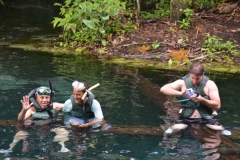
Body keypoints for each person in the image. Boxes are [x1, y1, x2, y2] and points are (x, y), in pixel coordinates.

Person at [160, 62, 227, 133]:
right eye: (192, 78)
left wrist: (202, 100)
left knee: (218, 133)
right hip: (186, 118)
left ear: (203, 74)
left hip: (206, 118)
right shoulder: (182, 82)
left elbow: (217, 105)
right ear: (189, 74)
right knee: (170, 132)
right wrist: (180, 93)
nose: (194, 81)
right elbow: (163, 89)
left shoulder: (210, 84)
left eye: (197, 78)